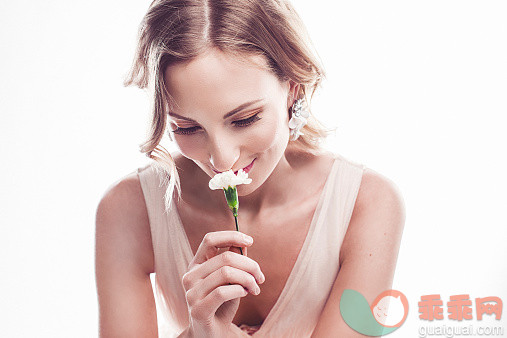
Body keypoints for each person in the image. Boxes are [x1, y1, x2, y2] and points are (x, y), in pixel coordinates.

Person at [95, 0, 406, 337]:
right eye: (186, 128)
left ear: (292, 87)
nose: (221, 161)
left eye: (244, 119)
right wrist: (201, 331)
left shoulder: (366, 204)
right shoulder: (129, 209)